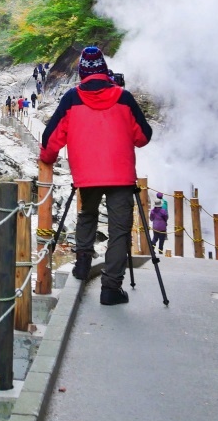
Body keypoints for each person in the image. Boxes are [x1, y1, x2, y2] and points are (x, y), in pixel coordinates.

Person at [39, 46, 152, 305]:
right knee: (120, 230)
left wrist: (47, 159)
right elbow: (143, 137)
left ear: (81, 74)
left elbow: (51, 137)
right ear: (105, 71)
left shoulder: (71, 98)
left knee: (87, 216)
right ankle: (111, 288)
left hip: (86, 175)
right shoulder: (124, 97)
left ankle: (82, 264)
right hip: (121, 177)